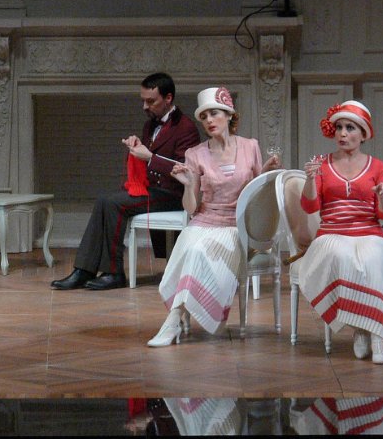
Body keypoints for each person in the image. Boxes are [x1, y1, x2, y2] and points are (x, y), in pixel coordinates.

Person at [147, 87, 280, 346]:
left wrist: (266, 170)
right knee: (190, 246)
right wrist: (188, 186)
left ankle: (173, 321)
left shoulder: (250, 146)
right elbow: (191, 208)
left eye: (215, 113)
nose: (209, 120)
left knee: (197, 251)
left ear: (229, 115)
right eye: (204, 116)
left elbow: (256, 192)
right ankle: (173, 320)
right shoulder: (195, 154)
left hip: (236, 225)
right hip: (203, 221)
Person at [51, 73, 201, 291]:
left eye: (151, 101)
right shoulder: (150, 125)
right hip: (154, 190)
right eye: (143, 100)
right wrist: (138, 146)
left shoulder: (185, 127)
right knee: (104, 200)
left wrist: (150, 157)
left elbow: (186, 170)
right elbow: (149, 155)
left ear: (168, 98)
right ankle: (84, 269)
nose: (144, 106)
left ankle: (113, 272)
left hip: (175, 195)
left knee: (112, 203)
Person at [297, 100, 383, 364]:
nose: (342, 133)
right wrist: (310, 179)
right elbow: (309, 206)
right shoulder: (322, 164)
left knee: (374, 256)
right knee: (342, 255)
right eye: (339, 127)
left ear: (363, 134)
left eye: (350, 128)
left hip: (369, 231)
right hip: (331, 232)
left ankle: (377, 332)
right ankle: (359, 326)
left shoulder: (377, 166)